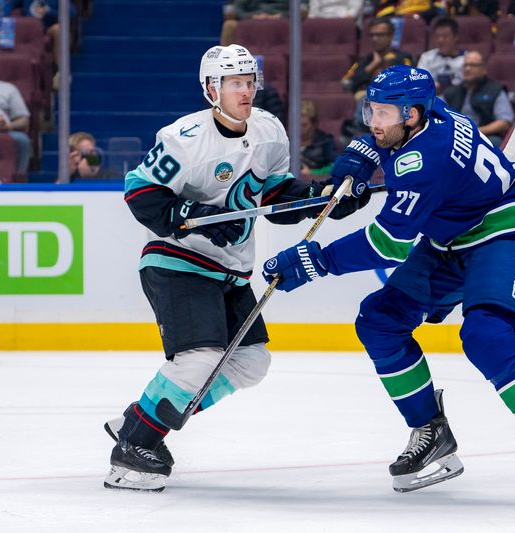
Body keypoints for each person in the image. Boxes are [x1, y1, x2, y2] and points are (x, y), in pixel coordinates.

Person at [261, 65, 515, 506]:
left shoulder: (425, 161)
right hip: (452, 235)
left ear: (412, 115)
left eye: (383, 114)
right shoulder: (428, 112)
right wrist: (358, 159)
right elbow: (379, 144)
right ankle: (430, 431)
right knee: (380, 320)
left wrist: (315, 260)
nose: (373, 122)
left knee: (486, 336)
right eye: (371, 110)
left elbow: (387, 245)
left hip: (505, 229)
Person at [103, 44, 367, 493]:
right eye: (235, 83)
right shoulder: (184, 137)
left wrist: (320, 199)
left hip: (229, 271)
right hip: (178, 263)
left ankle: (142, 416)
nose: (246, 91)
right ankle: (134, 445)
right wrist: (194, 216)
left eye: (249, 82)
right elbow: (139, 192)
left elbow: (272, 197)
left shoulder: (268, 130)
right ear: (212, 89)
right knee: (200, 359)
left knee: (250, 362)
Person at [442, 50, 514, 146]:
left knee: (494, 142)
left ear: (483, 69)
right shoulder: (451, 91)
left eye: (473, 65)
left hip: (483, 137)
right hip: (454, 136)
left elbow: (504, 122)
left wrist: (476, 131)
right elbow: (438, 113)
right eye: (465, 65)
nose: (467, 69)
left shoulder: (495, 89)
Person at [417, 16, 465, 95]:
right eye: (437, 36)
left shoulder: (467, 59)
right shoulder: (427, 57)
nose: (440, 40)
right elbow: (419, 82)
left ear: (456, 37)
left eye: (445, 36)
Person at [300, 100, 337, 177]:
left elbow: (335, 166)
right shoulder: (288, 139)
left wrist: (312, 172)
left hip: (316, 182)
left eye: (304, 125)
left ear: (314, 124)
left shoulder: (325, 141)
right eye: (297, 124)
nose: (299, 128)